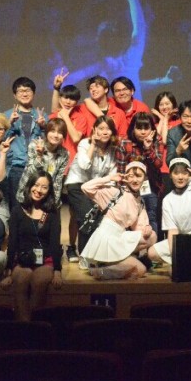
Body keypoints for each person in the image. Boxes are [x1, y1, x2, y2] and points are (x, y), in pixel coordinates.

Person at [0, 172, 62, 321]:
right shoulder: (17, 211)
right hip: (22, 259)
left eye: (44, 187)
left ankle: (34, 325)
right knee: (21, 280)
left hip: (45, 260)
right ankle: (25, 325)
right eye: (36, 185)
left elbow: (55, 243)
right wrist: (9, 269)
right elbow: (13, 241)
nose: (39, 190)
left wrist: (57, 270)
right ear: (29, 186)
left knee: (38, 282)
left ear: (49, 191)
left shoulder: (52, 213)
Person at [80, 162, 157, 280]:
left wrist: (148, 228)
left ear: (144, 179)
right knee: (138, 270)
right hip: (107, 237)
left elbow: (141, 228)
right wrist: (110, 178)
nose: (135, 180)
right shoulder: (116, 192)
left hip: (120, 236)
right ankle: (100, 269)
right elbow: (85, 187)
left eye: (138, 176)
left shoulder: (140, 202)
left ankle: (106, 268)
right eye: (131, 176)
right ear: (125, 177)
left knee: (151, 238)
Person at [65, 116, 119, 262]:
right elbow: (84, 165)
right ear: (94, 130)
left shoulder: (112, 150)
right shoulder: (84, 143)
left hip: (95, 187)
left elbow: (112, 175)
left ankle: (93, 253)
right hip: (77, 184)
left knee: (97, 217)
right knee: (87, 215)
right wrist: (93, 145)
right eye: (101, 128)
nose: (105, 132)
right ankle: (83, 254)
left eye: (108, 129)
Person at [48, 80, 87, 259]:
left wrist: (66, 117)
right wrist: (60, 115)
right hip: (55, 167)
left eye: (72, 99)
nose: (68, 101)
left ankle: (71, 246)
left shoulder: (80, 117)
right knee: (52, 209)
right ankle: (53, 246)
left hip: (74, 169)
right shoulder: (54, 115)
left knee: (73, 211)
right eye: (65, 97)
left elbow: (76, 137)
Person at [115, 112, 165, 234]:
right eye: (139, 128)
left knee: (151, 216)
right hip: (130, 186)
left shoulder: (157, 139)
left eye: (146, 128)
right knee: (129, 219)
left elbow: (158, 164)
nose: (143, 132)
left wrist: (148, 149)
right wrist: (123, 193)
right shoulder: (125, 143)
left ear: (152, 129)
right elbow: (121, 171)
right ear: (133, 129)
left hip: (150, 184)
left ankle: (153, 244)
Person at [3, 77, 47, 207]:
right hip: (16, 167)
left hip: (36, 166)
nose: (24, 93)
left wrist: (43, 127)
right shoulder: (7, 115)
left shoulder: (42, 115)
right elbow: (0, 140)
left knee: (35, 205)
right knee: (16, 206)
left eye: (27, 90)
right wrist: (9, 123)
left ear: (33, 93)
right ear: (14, 95)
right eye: (20, 91)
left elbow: (49, 142)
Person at [15, 118, 69, 210]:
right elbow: (30, 173)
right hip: (28, 191)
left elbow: (58, 180)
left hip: (46, 195)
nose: (56, 135)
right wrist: (39, 156)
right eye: (52, 131)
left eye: (60, 132)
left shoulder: (64, 153)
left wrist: (55, 203)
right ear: (47, 132)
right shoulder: (34, 145)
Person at [84, 76, 151, 128]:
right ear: (113, 94)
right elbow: (88, 100)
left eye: (125, 89)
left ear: (132, 91)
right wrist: (104, 118)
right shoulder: (110, 102)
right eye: (117, 91)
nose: (121, 93)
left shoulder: (142, 108)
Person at [152, 91, 180, 188]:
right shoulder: (155, 125)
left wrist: (165, 119)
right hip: (158, 168)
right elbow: (154, 140)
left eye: (167, 104)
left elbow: (164, 141)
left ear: (173, 105)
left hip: (173, 167)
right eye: (161, 104)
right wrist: (162, 119)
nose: (164, 107)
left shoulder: (179, 123)